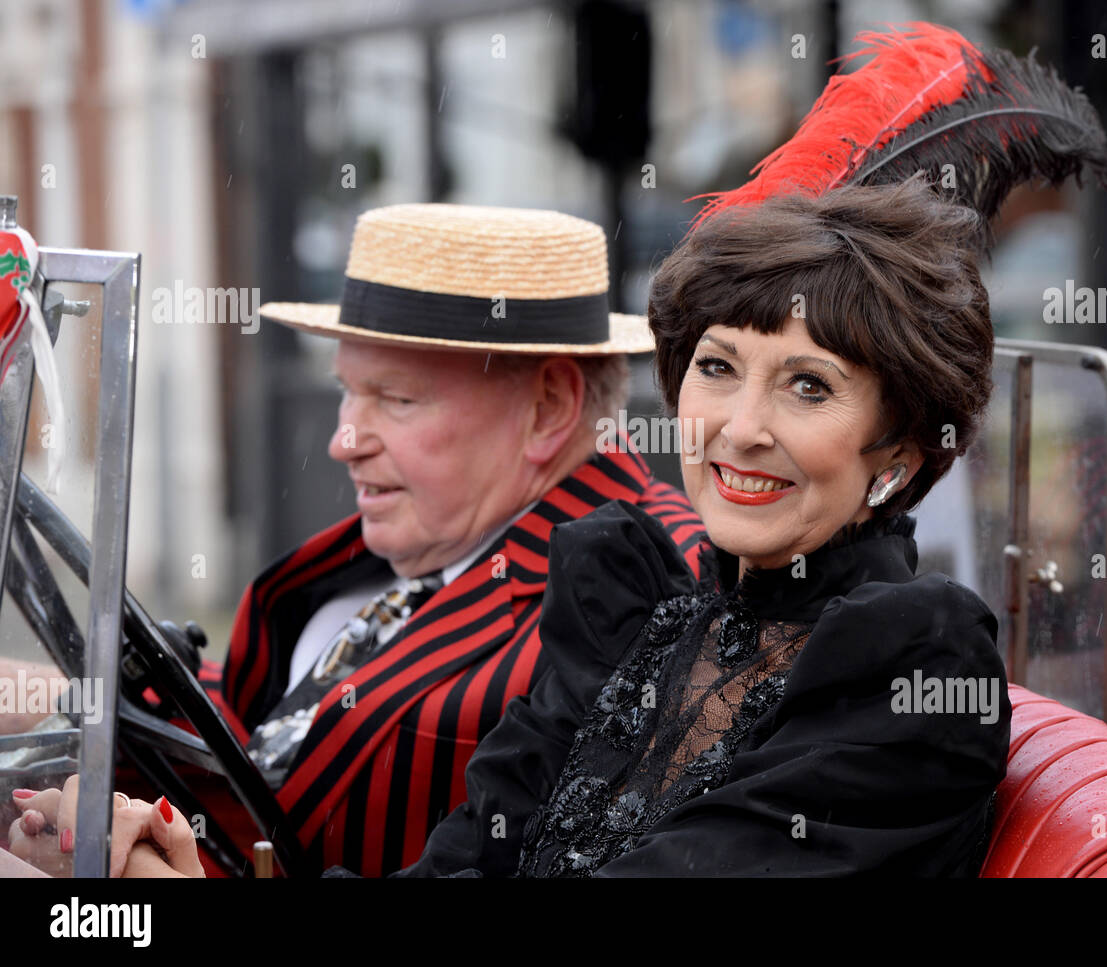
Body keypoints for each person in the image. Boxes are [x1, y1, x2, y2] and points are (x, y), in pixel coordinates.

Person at [70, 173, 1012, 877]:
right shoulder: (638, 607)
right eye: (718, 368)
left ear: (899, 451)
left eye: (809, 386)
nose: (742, 428)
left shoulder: (913, 658)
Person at [2, 203, 705, 877]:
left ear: (550, 406)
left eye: (397, 398)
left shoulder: (653, 588)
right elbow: (271, 733)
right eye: (347, 390)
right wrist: (57, 700)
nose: (343, 441)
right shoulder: (435, 534)